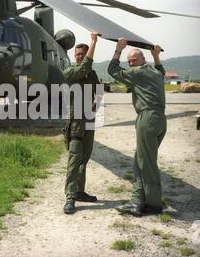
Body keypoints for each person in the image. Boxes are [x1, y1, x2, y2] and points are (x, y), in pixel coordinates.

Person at [108, 38, 166, 216]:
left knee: (146, 164)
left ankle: (154, 204)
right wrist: (156, 56)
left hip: (147, 118)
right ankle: (137, 201)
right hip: (160, 120)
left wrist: (118, 49)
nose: (131, 63)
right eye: (129, 61)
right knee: (140, 161)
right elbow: (161, 71)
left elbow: (112, 70)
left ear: (142, 60)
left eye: (133, 60)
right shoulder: (155, 72)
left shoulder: (138, 72)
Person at [63, 32, 100, 214]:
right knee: (74, 161)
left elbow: (99, 91)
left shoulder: (92, 74)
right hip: (76, 123)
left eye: (81, 54)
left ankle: (79, 191)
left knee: (84, 159)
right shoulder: (71, 72)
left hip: (89, 121)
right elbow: (84, 68)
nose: (78, 57)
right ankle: (70, 197)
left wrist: (95, 105)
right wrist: (94, 41)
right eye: (76, 55)